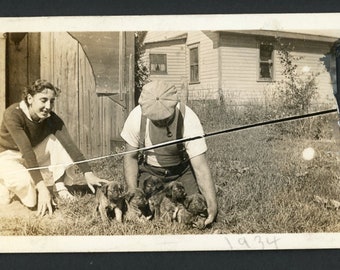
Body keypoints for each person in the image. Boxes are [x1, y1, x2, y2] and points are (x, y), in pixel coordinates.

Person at [0, 79, 108, 216]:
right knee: (30, 196)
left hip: (30, 154)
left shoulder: (51, 118)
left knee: (55, 140)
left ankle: (60, 188)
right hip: (8, 156)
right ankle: (4, 182)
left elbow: (69, 144)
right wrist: (42, 188)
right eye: (43, 100)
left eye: (52, 101)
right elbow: (26, 151)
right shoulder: (13, 114)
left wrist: (89, 173)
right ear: (30, 98)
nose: (48, 106)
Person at [121, 80, 218, 226]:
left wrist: (212, 205)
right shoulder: (136, 117)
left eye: (165, 118)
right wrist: (132, 193)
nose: (161, 123)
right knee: (145, 209)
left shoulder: (189, 119)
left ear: (174, 106)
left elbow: (201, 168)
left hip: (181, 171)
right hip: (150, 172)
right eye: (156, 120)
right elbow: (130, 157)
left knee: (194, 208)